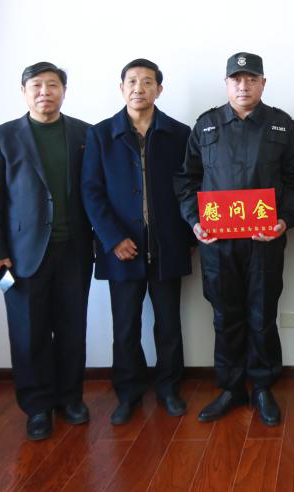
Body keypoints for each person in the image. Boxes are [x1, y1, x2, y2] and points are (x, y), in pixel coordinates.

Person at [174, 52, 294, 426]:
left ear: (263, 83)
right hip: (218, 245)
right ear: (226, 83)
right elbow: (186, 180)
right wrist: (195, 220)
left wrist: (284, 220)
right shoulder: (206, 126)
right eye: (236, 79)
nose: (243, 86)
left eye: (251, 79)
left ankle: (263, 387)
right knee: (225, 317)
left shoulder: (281, 125)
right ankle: (231, 387)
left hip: (265, 242)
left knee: (262, 316)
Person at [0, 62, 93, 441]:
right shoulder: (1, 138)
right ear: (24, 91)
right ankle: (38, 407)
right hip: (21, 256)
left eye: (53, 85)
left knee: (72, 330)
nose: (45, 92)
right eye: (37, 85)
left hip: (74, 251)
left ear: (64, 90)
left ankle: (71, 399)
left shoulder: (85, 134)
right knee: (29, 333)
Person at [81, 59, 196, 425]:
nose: (139, 88)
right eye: (131, 81)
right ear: (121, 88)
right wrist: (113, 238)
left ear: (159, 89)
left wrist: (188, 233)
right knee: (125, 326)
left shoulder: (179, 133)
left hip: (167, 244)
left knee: (169, 324)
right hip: (121, 249)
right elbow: (91, 192)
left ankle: (169, 388)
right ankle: (128, 393)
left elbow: (190, 186)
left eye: (147, 82)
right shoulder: (101, 135)